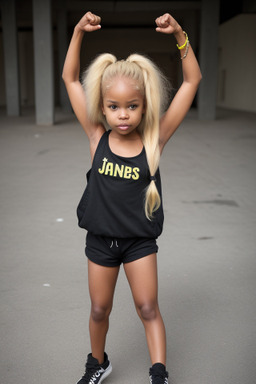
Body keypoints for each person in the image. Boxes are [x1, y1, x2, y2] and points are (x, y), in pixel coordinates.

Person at [62, 10, 202, 384]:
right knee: (98, 310)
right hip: (101, 241)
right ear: (103, 105)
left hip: (139, 241)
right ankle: (97, 364)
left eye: (132, 106)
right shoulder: (97, 137)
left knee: (147, 307)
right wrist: (77, 32)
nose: (123, 115)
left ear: (144, 105)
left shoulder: (154, 140)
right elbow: (70, 78)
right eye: (114, 107)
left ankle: (159, 374)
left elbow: (192, 82)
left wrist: (180, 36)